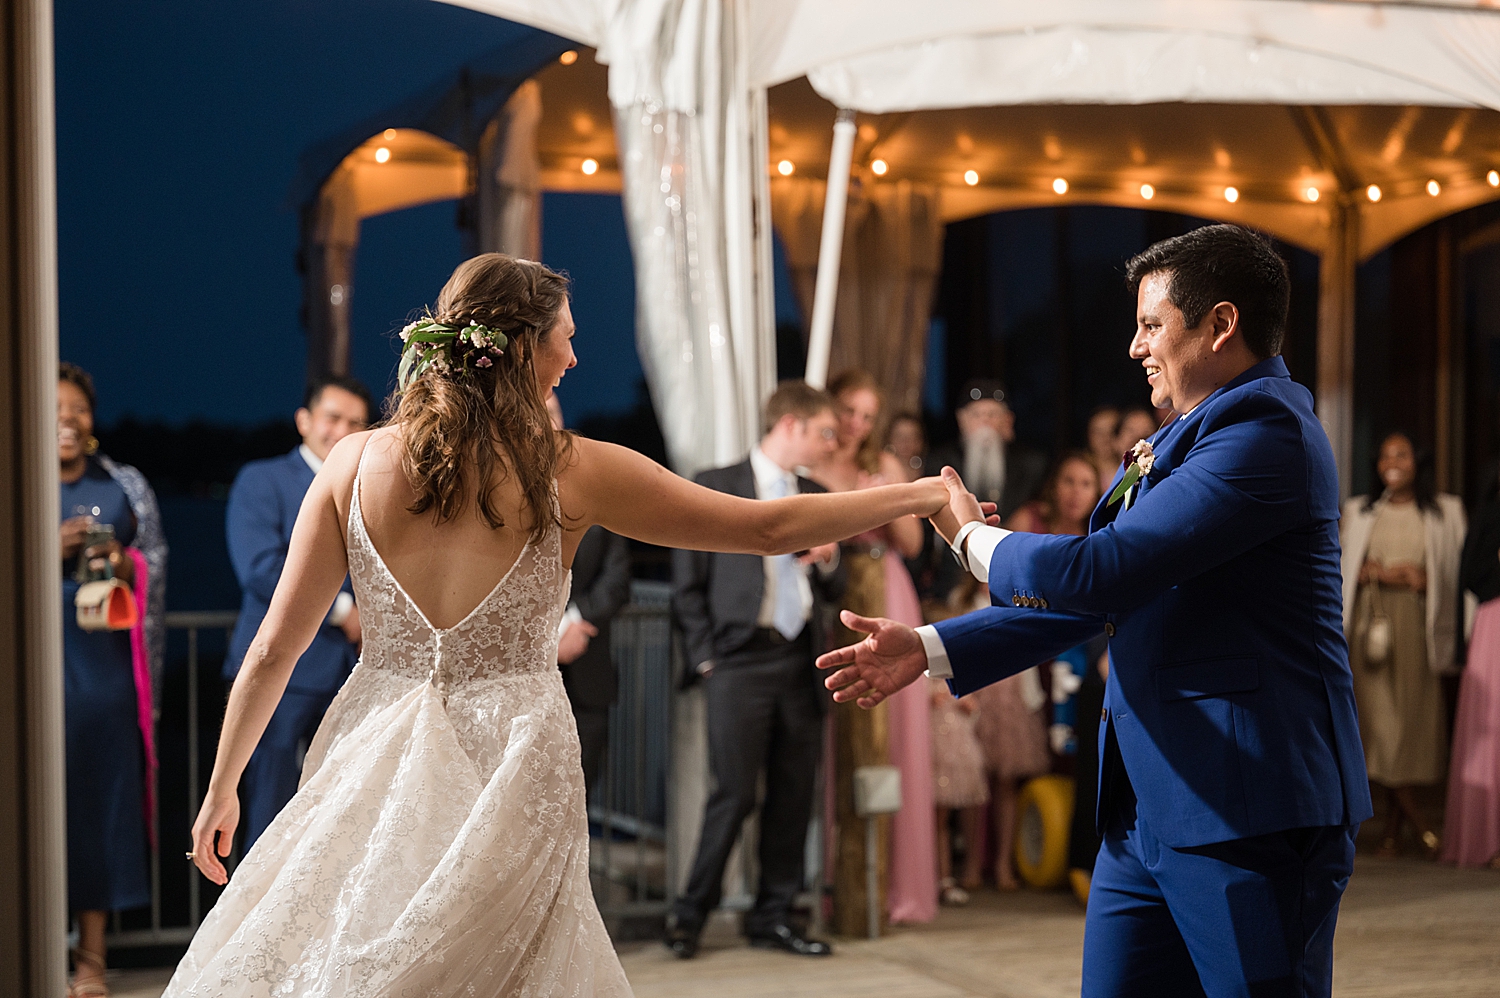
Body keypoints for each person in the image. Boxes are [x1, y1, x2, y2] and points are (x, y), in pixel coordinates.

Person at [169, 254, 952, 996]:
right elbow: (766, 529)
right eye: (568, 338)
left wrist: (221, 787)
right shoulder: (571, 469)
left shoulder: (350, 463)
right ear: (521, 348)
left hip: (372, 742)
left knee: (356, 946)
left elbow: (274, 647)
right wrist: (914, 496)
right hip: (512, 754)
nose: (575, 360)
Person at [819, 225, 1372, 998]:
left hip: (1247, 809)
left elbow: (1097, 569)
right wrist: (932, 646)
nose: (1135, 346)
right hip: (1144, 813)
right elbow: (1105, 595)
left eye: (1152, 324)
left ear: (1220, 324)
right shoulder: (1180, 437)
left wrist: (967, 535)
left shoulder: (1266, 433)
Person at [666, 380, 847, 958]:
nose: (830, 445)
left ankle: (772, 916)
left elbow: (837, 587)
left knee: (794, 794)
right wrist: (706, 659)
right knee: (734, 793)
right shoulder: (717, 486)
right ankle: (688, 916)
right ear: (789, 424)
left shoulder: (818, 494)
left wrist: (830, 558)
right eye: (825, 432)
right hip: (738, 661)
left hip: (801, 659)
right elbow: (686, 586)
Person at [224, 373, 371, 848]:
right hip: (280, 676)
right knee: (268, 814)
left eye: (355, 422)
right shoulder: (263, 479)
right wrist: (345, 609)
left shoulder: (369, 486)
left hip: (352, 676)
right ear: (304, 420)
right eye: (332, 417)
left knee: (340, 820)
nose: (341, 430)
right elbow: (260, 568)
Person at [58, 362, 168, 998]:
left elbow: (154, 560)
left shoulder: (122, 484)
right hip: (37, 670)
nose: (66, 420)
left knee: (100, 806)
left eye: (77, 408)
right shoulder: (16, 478)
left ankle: (91, 960)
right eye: (53, 407)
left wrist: (118, 560)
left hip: (106, 674)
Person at [812, 369, 936, 926]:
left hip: (886, 595)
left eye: (867, 414)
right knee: (832, 737)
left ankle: (896, 889)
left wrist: (883, 499)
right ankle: (835, 883)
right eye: (849, 411)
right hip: (828, 602)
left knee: (894, 737)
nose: (857, 424)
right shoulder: (811, 464)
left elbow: (912, 543)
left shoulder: (881, 468)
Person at [1340, 432, 1464, 858]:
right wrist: (1368, 572)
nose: (1392, 462)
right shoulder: (1357, 512)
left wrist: (1428, 581)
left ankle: (1394, 828)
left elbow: (1457, 576)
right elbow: (1338, 568)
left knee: (1409, 728)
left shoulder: (1446, 512)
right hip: (1369, 633)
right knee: (1379, 727)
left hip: (1417, 632)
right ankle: (1419, 823)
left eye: (1402, 454)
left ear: (1417, 462)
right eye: (1385, 455)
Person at [547, 393, 633, 800]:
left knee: (582, 792)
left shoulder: (596, 487)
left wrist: (574, 621)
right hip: (520, 678)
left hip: (588, 671)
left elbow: (617, 578)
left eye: (554, 415)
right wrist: (550, 635)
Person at [1446, 483, 1500, 868]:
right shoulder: (1490, 514)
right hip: (1495, 621)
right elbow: (1471, 573)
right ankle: (1489, 838)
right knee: (1492, 729)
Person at [929, 379, 1046, 522]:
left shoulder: (1032, 465)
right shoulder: (940, 462)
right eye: (976, 415)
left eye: (992, 414)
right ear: (962, 420)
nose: (985, 422)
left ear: (1007, 420)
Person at [1085, 405, 1121, 488]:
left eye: (1112, 431)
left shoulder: (1133, 468)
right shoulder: (1079, 469)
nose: (1105, 438)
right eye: (1098, 432)